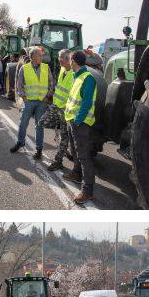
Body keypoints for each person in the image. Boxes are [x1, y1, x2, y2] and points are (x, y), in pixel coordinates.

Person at [62, 49, 98, 204]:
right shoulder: (77, 76)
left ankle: (87, 190)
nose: (69, 62)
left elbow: (86, 103)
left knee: (84, 156)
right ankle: (76, 174)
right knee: (75, 151)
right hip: (72, 121)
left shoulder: (87, 78)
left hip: (80, 123)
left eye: (70, 60)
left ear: (74, 62)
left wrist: (77, 121)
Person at [10, 46, 52, 160]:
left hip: (41, 102)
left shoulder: (46, 67)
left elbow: (51, 83)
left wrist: (48, 96)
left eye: (41, 55)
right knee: (23, 122)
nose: (42, 57)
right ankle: (20, 142)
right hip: (28, 101)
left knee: (39, 126)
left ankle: (39, 149)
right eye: (39, 55)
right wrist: (23, 97)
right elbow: (19, 84)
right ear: (33, 57)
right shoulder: (24, 68)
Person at [44, 49, 76, 172]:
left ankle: (58, 160)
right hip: (56, 105)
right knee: (42, 123)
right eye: (59, 57)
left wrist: (65, 109)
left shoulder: (74, 74)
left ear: (69, 59)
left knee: (64, 136)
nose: (59, 60)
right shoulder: (62, 69)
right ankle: (62, 137)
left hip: (64, 110)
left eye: (62, 58)